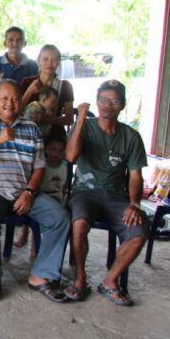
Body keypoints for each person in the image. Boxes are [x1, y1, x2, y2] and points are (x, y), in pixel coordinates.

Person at [0, 80, 70, 303]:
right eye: (4, 98)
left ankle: (41, 274)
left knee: (60, 217)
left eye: (15, 99)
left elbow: (39, 167)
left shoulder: (31, 128)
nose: (9, 103)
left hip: (23, 191)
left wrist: (30, 191)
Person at [64, 80, 147, 306]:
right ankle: (80, 279)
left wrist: (134, 204)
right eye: (103, 99)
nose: (107, 105)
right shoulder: (85, 126)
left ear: (122, 105)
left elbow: (136, 177)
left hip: (117, 196)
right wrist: (81, 119)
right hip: (84, 193)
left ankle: (110, 281)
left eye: (114, 101)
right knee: (79, 224)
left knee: (139, 233)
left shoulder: (131, 136)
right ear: (96, 100)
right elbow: (71, 157)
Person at [14, 135, 67, 252]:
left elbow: (64, 187)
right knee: (36, 217)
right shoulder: (41, 166)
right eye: (53, 149)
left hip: (57, 199)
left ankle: (49, 250)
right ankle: (34, 248)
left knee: (61, 219)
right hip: (41, 196)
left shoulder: (65, 167)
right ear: (46, 149)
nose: (56, 153)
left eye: (60, 151)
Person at [19, 44, 74, 140]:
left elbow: (69, 119)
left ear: (58, 63)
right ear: (38, 61)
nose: (49, 63)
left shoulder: (65, 86)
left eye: (54, 60)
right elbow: (16, 111)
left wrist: (49, 119)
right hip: (28, 135)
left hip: (55, 136)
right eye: (45, 59)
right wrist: (29, 92)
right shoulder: (27, 82)